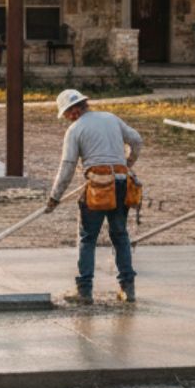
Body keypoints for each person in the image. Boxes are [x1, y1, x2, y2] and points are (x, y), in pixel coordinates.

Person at [44, 88, 142, 304]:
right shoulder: (111, 118)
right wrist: (127, 163)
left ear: (74, 111)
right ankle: (128, 289)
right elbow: (137, 140)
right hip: (121, 183)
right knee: (120, 235)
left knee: (88, 238)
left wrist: (54, 197)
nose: (67, 118)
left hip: (98, 187)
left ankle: (84, 291)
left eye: (67, 114)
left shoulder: (75, 129)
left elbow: (67, 166)